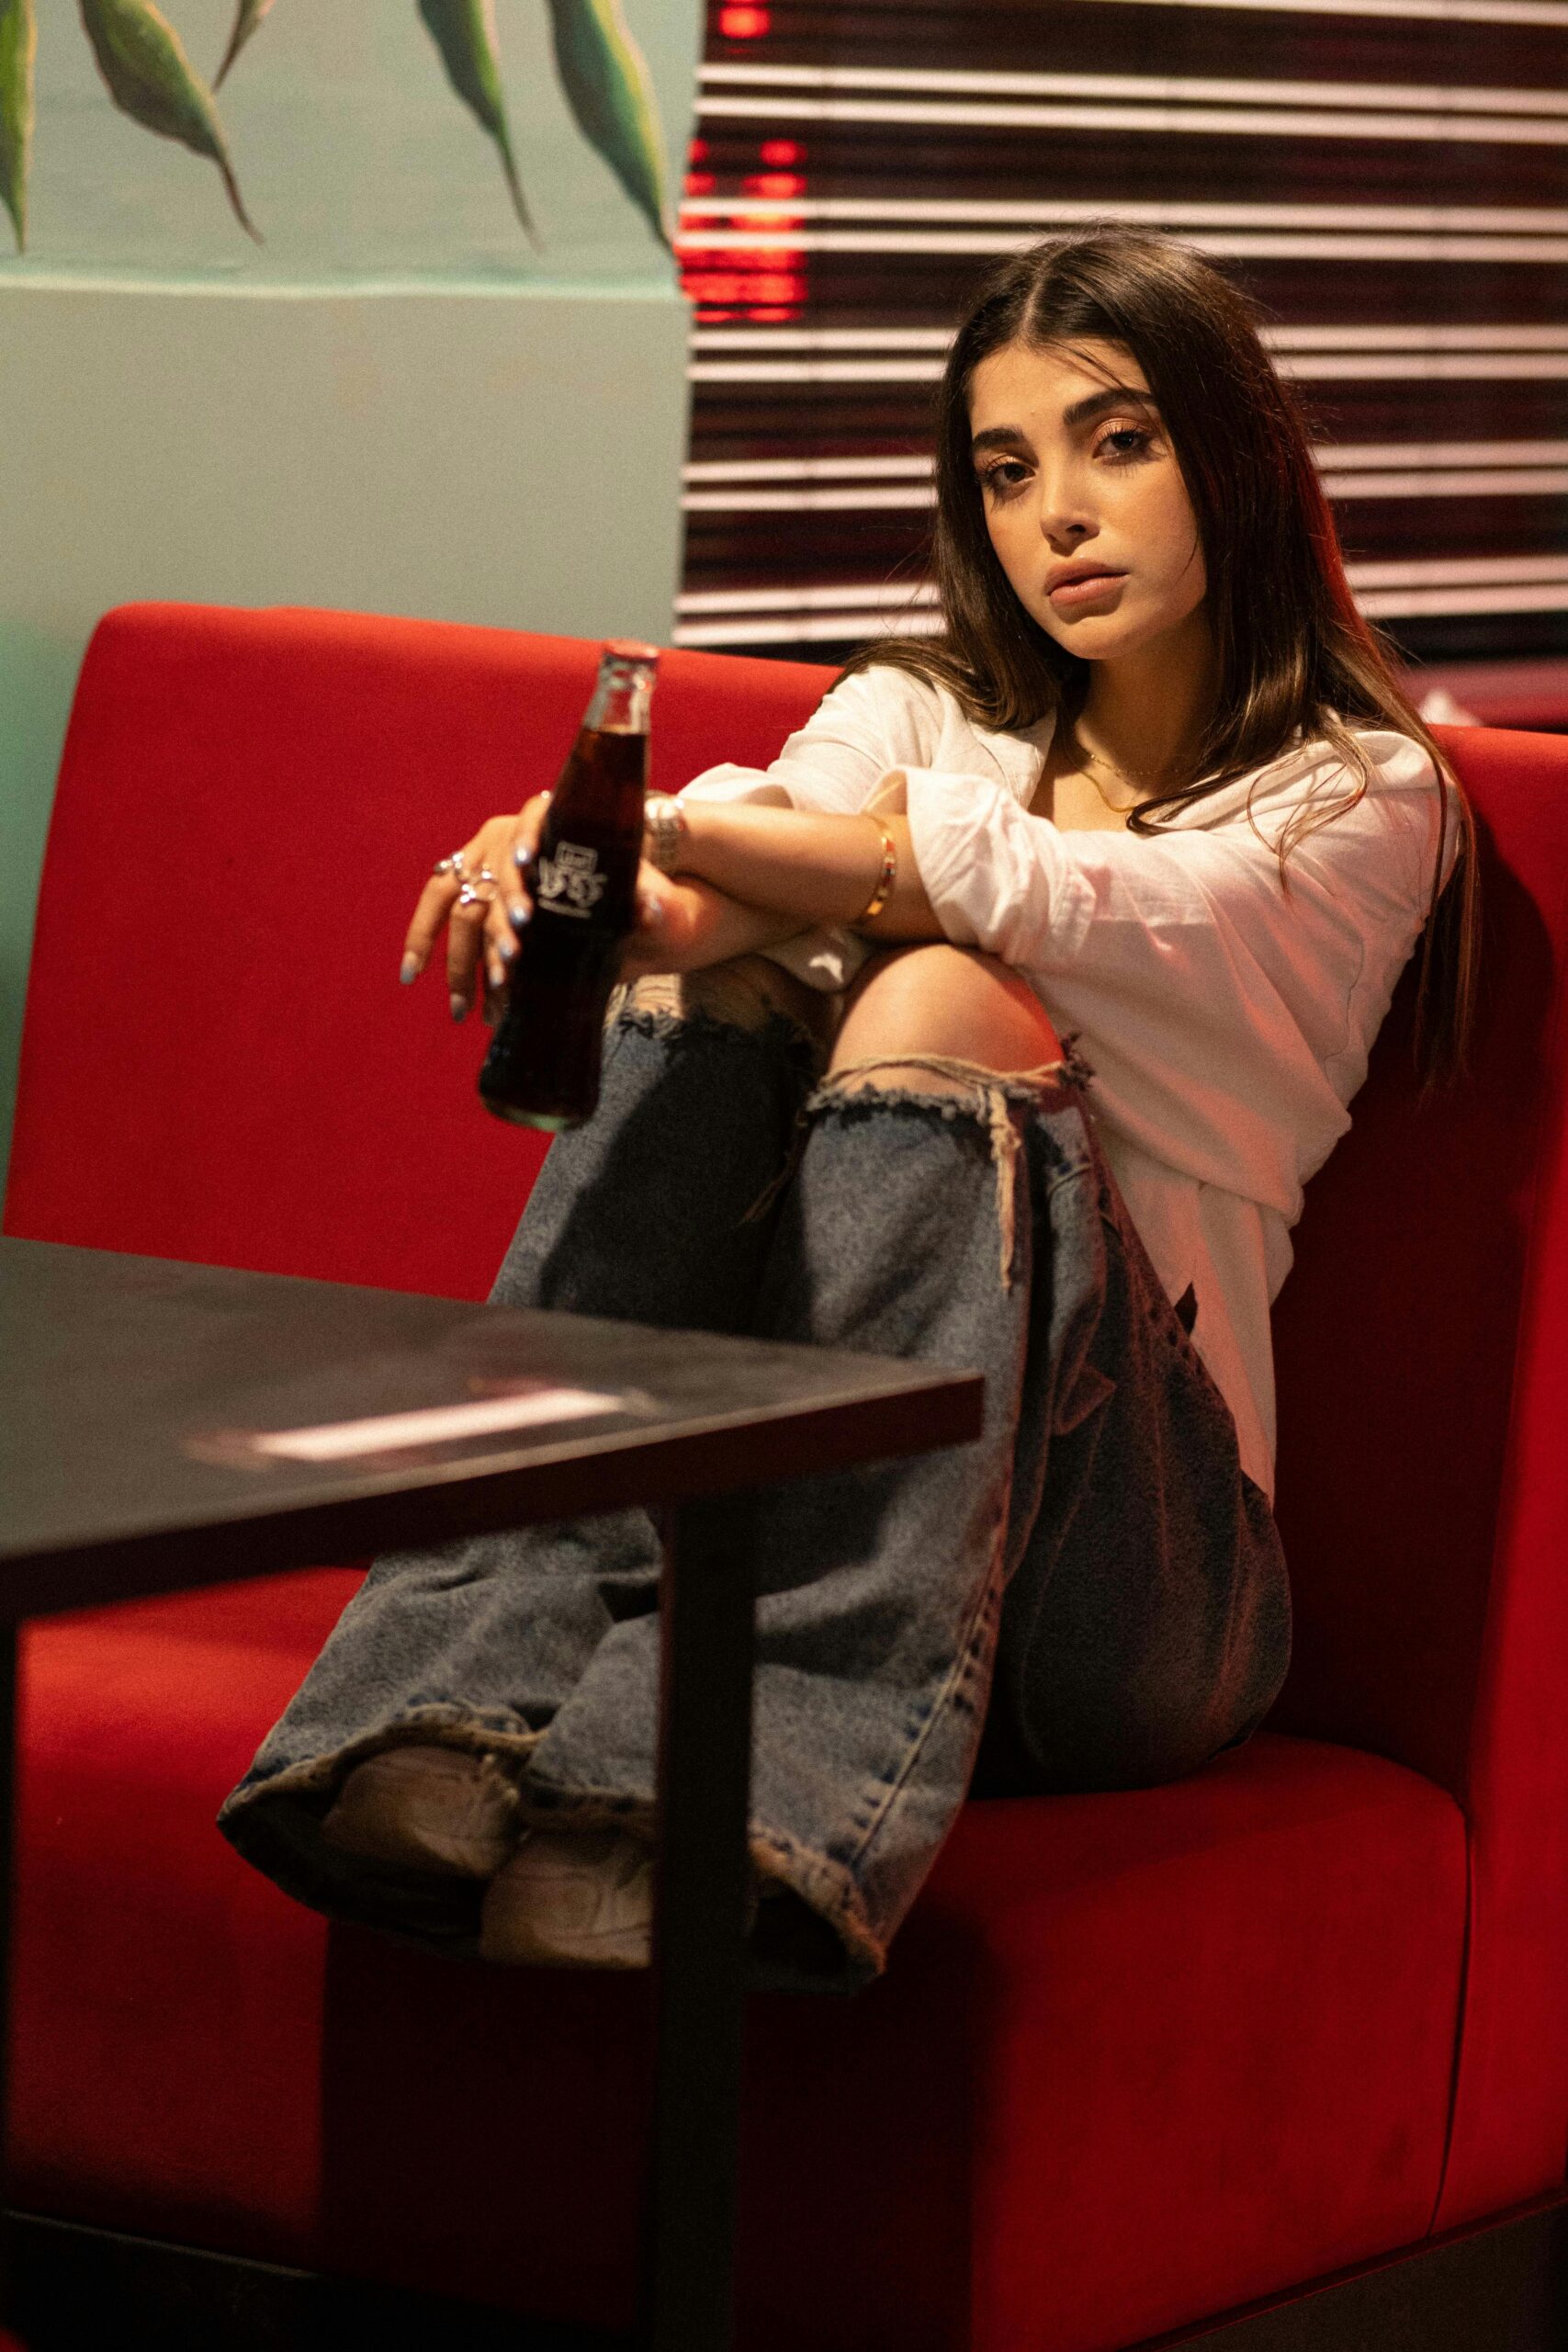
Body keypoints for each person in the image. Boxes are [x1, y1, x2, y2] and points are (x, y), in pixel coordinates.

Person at [219, 229, 1476, 1990]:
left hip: (1132, 1589)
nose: (1059, 517)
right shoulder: (918, 711)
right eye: (1007, 467)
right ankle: (462, 1686)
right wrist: (584, 871)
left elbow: (1037, 894)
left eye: (1120, 443)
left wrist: (703, 833)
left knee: (941, 988)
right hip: (820, 1518)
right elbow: (733, 895)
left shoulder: (1360, 799)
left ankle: (732, 1794)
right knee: (710, 987)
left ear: (1235, 450)